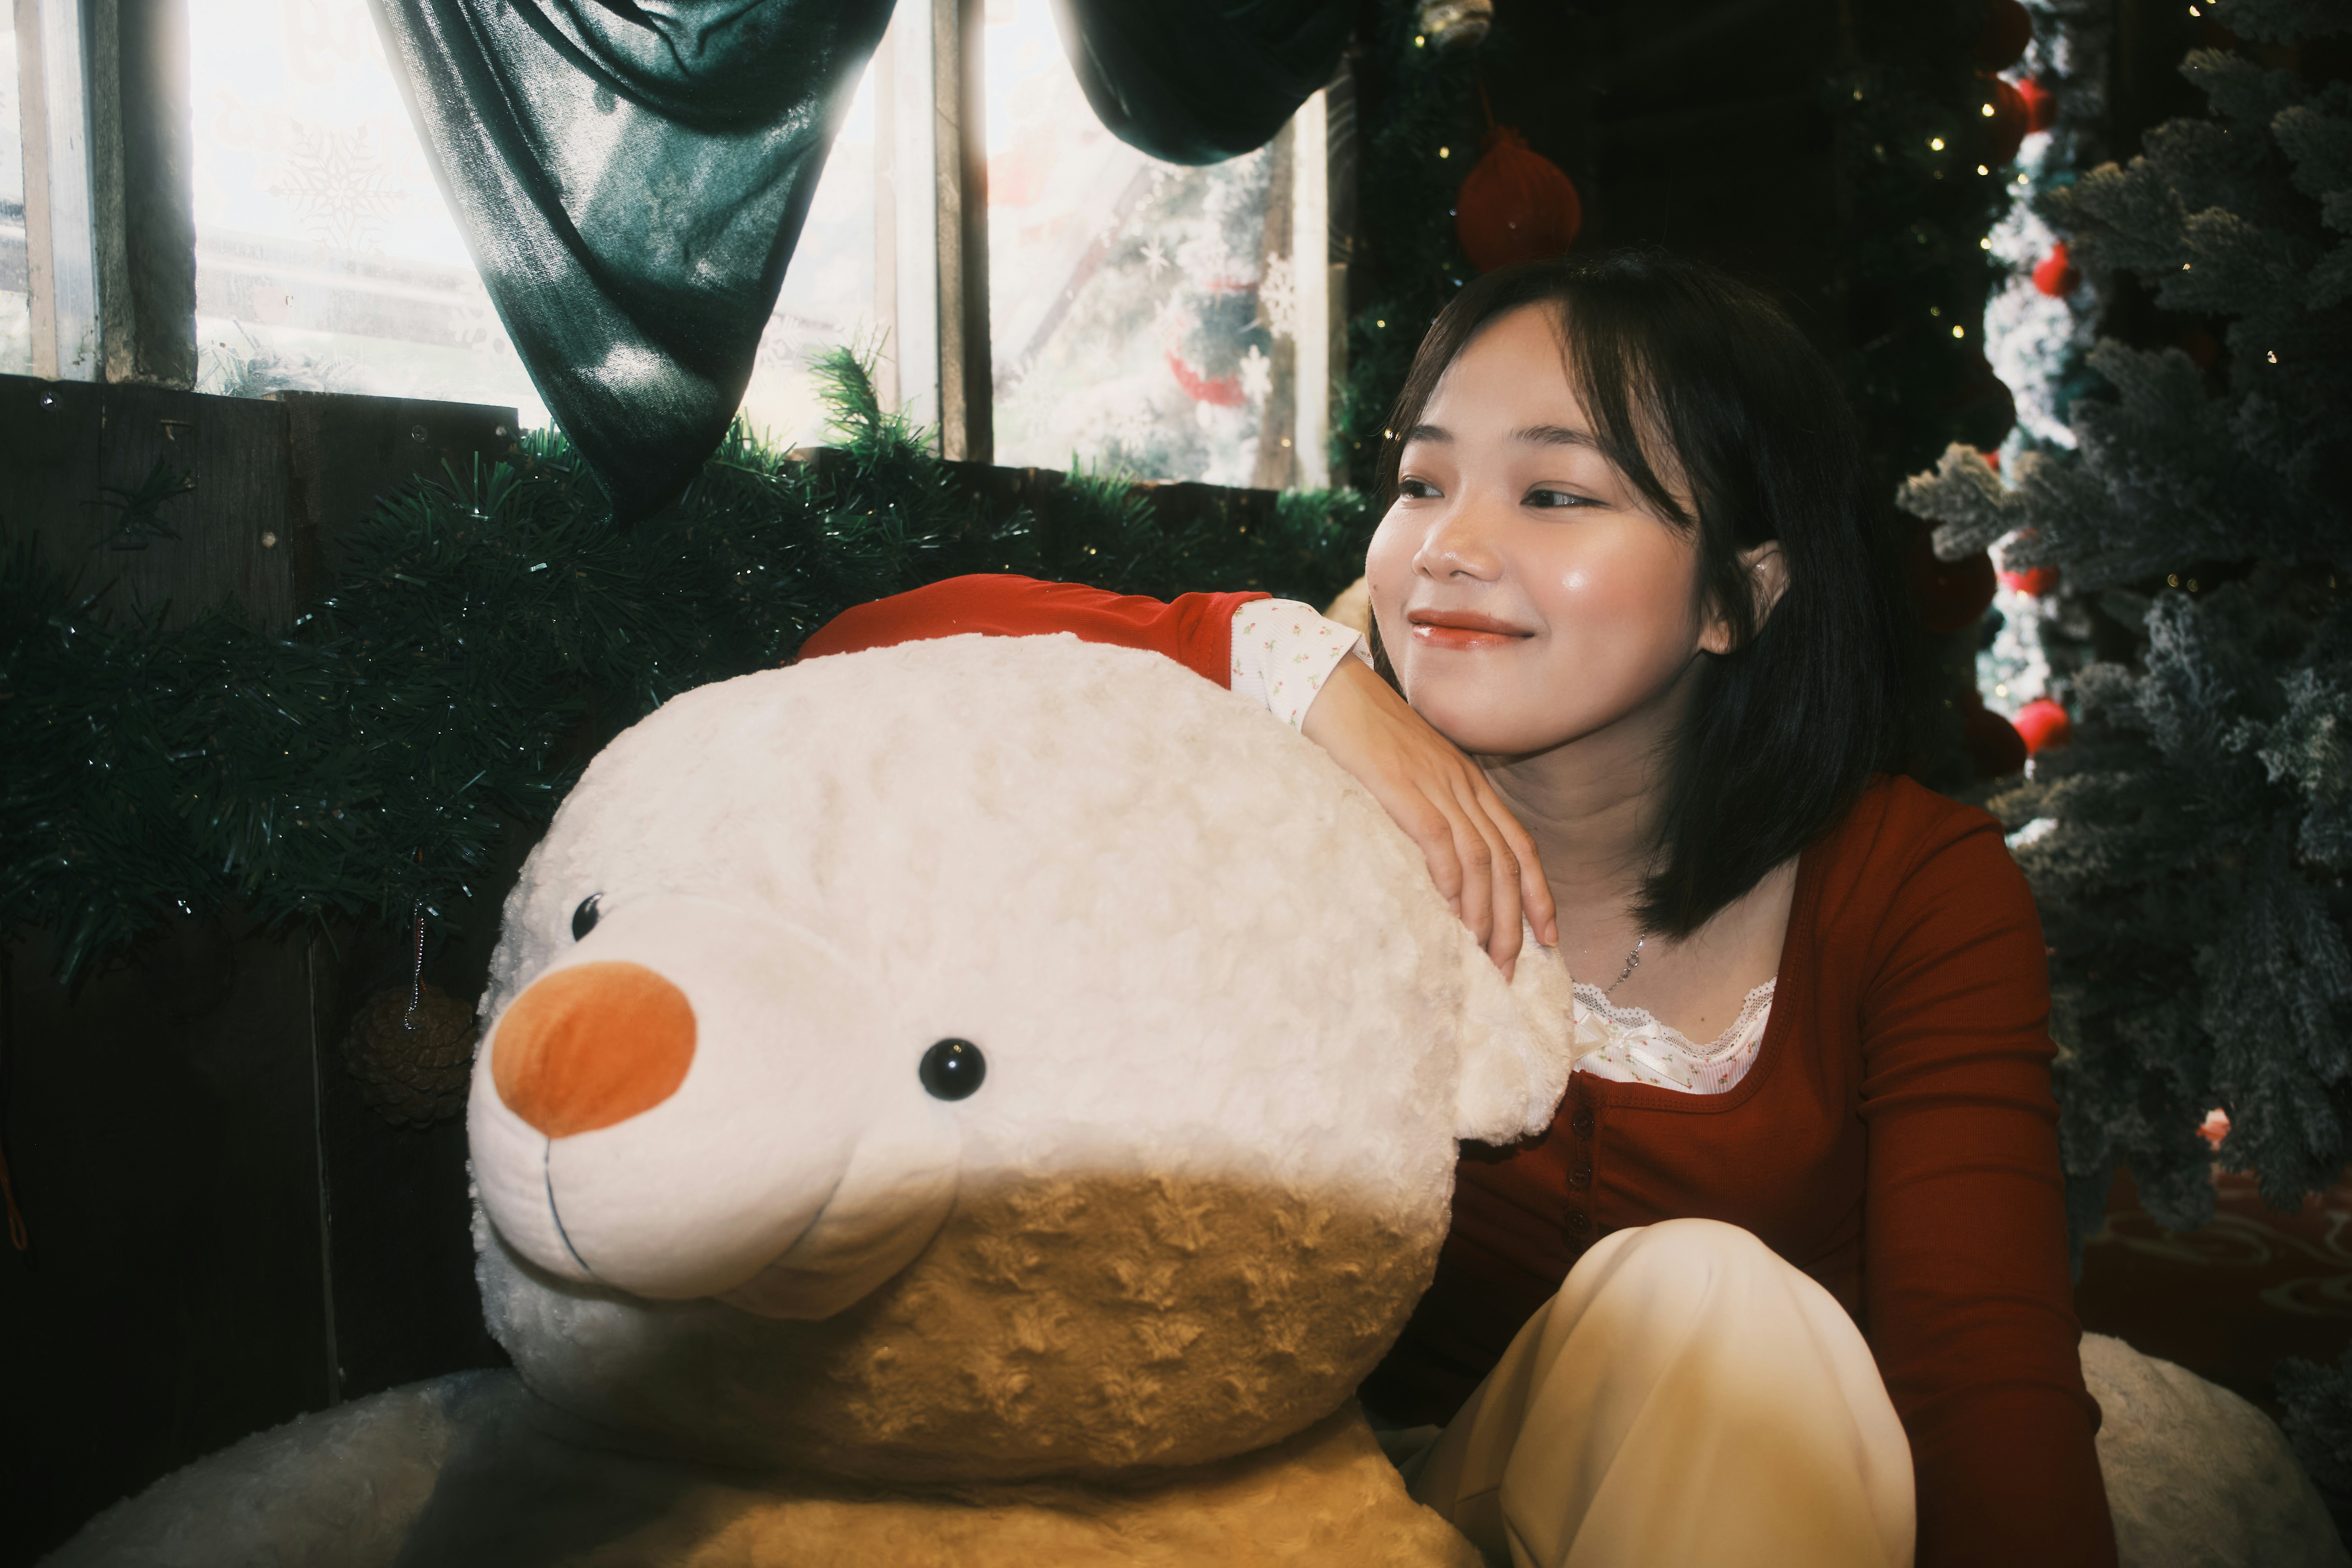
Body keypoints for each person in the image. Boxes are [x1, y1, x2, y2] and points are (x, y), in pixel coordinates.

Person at [799, 251, 2115, 1567]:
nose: (1449, 548)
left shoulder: (1907, 887)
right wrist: (1289, 667)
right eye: (1423, 483)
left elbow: (1980, 1384)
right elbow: (858, 654)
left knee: (1710, 1302)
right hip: (1359, 1515)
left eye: (1555, 492)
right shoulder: (1294, 794)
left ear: (1736, 595)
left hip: (1752, 1505)